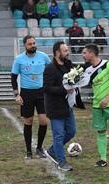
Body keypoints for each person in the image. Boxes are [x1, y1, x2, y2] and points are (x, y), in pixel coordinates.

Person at [11, 35, 51, 159]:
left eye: (34, 43)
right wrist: (17, 94)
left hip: (41, 93)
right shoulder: (19, 59)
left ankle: (39, 148)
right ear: (25, 45)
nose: (33, 45)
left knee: (44, 121)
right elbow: (13, 77)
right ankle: (29, 151)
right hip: (26, 93)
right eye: (30, 44)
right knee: (28, 121)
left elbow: (51, 70)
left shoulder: (43, 56)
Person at [43, 41, 77, 172]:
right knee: (58, 135)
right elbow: (47, 88)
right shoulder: (50, 68)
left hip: (67, 105)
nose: (67, 53)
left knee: (71, 131)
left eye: (67, 50)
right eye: (65, 51)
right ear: (57, 52)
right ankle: (61, 161)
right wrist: (64, 90)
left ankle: (52, 150)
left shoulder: (69, 65)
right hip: (55, 107)